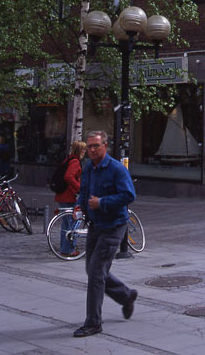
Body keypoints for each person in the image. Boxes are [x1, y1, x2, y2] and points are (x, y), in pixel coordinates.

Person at [73, 131, 138, 338]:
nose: (91, 150)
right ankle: (126, 295)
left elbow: (129, 195)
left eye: (96, 146)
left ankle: (93, 322)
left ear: (105, 146)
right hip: (95, 225)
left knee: (95, 272)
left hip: (113, 226)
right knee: (92, 270)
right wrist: (79, 206)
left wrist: (101, 203)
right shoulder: (89, 168)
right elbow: (84, 192)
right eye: (89, 146)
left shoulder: (116, 169)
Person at [55, 141, 86, 256]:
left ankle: (64, 249)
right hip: (69, 196)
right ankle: (69, 250)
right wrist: (79, 189)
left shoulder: (68, 159)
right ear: (79, 150)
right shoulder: (75, 161)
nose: (85, 152)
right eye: (83, 150)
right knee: (73, 222)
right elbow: (69, 176)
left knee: (66, 224)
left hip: (63, 195)